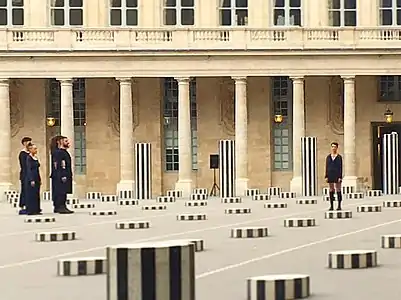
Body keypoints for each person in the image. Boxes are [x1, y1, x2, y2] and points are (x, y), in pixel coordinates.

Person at [53, 136, 74, 214]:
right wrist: (62, 175)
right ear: (60, 142)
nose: (68, 142)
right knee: (61, 191)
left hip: (65, 174)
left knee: (64, 191)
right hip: (61, 175)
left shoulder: (64, 152)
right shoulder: (59, 152)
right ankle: (60, 206)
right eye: (65, 141)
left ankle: (60, 206)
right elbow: (59, 165)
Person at [324, 142, 343, 211]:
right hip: (330, 174)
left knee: (338, 189)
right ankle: (331, 205)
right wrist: (326, 176)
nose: (333, 148)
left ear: (337, 148)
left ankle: (339, 205)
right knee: (331, 189)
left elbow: (340, 167)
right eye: (332, 147)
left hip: (337, 175)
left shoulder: (339, 157)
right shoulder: (328, 157)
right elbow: (326, 166)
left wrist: (340, 177)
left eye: (335, 147)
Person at [25, 143, 42, 215]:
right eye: (34, 148)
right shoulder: (28, 158)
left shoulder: (36, 157)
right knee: (31, 194)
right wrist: (31, 179)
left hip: (37, 177)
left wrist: (40, 179)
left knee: (36, 194)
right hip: (31, 178)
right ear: (30, 149)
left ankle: (36, 209)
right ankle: (31, 210)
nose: (36, 150)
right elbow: (29, 169)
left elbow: (37, 169)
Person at [18, 136, 32, 215]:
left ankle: (29, 204)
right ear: (24, 143)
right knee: (24, 189)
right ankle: (23, 204)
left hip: (31, 174)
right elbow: (24, 165)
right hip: (25, 174)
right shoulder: (22, 153)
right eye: (27, 142)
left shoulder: (31, 153)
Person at [49, 135, 63, 212]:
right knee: (58, 191)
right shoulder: (56, 152)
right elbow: (56, 164)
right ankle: (58, 206)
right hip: (57, 174)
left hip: (57, 174)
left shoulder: (56, 151)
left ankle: (58, 206)